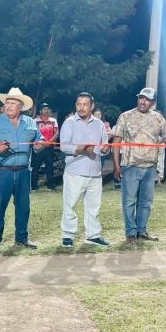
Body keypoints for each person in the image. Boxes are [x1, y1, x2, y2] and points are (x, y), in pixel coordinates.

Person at [0, 87, 47, 251]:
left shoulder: (30, 123)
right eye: (7, 102)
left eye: (13, 103)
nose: (8, 106)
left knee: (24, 207)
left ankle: (22, 239)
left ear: (21, 106)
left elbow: (39, 140)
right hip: (2, 171)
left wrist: (40, 145)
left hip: (23, 172)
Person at [112, 87, 166, 244]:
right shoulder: (125, 116)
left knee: (146, 202)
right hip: (130, 166)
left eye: (147, 99)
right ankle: (130, 233)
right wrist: (116, 165)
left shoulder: (158, 119)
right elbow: (116, 143)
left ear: (153, 102)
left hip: (150, 167)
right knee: (129, 201)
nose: (143, 101)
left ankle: (141, 231)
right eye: (141, 98)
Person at [58, 93, 110, 248]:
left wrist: (105, 150)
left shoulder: (99, 124)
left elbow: (104, 146)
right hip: (75, 172)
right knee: (70, 205)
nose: (81, 107)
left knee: (94, 207)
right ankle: (68, 235)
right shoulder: (69, 122)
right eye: (78, 104)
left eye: (85, 104)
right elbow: (64, 146)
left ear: (92, 106)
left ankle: (93, 236)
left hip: (95, 172)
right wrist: (80, 149)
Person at [31, 102, 59, 191]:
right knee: (36, 167)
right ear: (40, 111)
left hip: (49, 147)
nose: (46, 110)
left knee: (50, 166)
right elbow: (33, 133)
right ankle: (34, 186)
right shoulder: (35, 121)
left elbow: (57, 133)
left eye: (47, 109)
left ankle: (51, 186)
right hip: (39, 147)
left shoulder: (53, 120)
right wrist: (39, 143)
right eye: (44, 109)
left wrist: (49, 142)